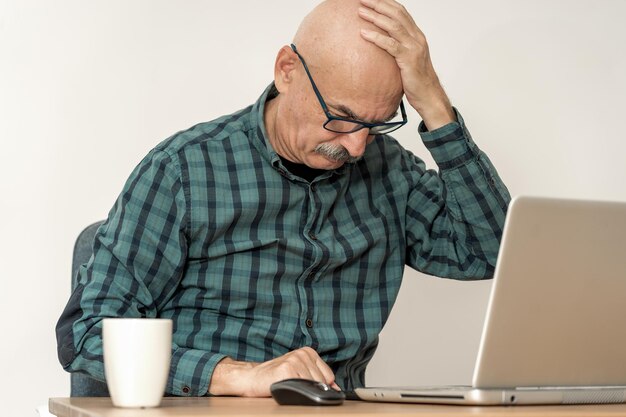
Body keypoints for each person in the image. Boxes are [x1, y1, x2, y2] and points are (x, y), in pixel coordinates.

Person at [56, 0, 511, 398]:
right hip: (206, 408)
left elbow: (492, 254)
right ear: (286, 70)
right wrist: (240, 376)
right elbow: (87, 332)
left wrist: (433, 101)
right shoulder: (183, 170)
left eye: (376, 126)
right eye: (342, 118)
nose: (355, 148)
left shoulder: (390, 171)